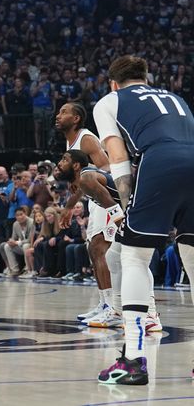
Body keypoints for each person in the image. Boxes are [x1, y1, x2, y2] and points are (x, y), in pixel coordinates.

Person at [93, 56, 194, 385]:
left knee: (133, 255)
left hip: (160, 161)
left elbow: (118, 155)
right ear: (146, 78)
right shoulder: (175, 98)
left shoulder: (111, 100)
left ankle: (134, 360)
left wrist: (126, 203)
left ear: (113, 82)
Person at [56, 102, 120, 328]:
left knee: (99, 249)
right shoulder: (70, 142)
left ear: (76, 119)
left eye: (64, 112)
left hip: (106, 197)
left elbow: (107, 167)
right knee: (93, 251)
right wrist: (69, 207)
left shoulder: (86, 138)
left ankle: (113, 308)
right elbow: (80, 181)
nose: (58, 115)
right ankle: (105, 304)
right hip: (94, 200)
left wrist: (86, 177)